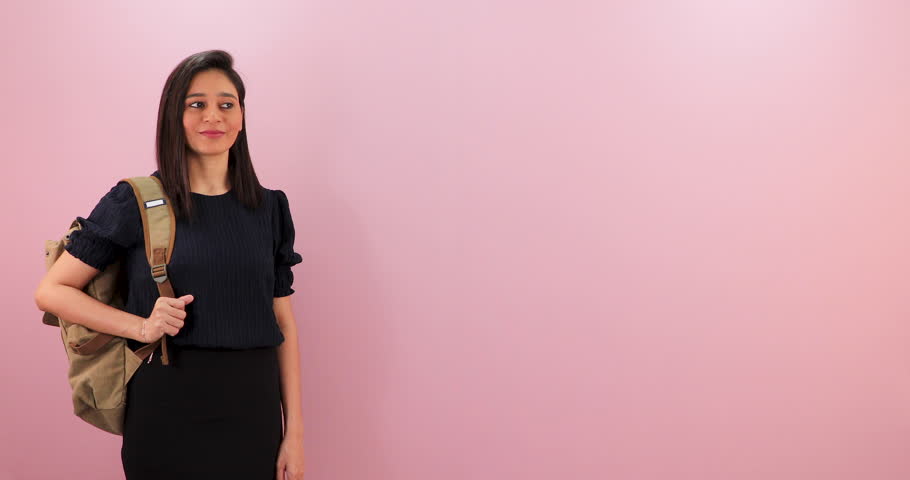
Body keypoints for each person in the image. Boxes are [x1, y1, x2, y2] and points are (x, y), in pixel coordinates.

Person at [34, 50, 306, 479]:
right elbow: (51, 291)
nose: (212, 116)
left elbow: (283, 323)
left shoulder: (270, 207)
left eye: (226, 103)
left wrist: (295, 433)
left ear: (241, 116)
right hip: (166, 405)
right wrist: (141, 327)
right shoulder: (137, 200)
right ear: (173, 116)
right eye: (196, 104)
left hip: (253, 409)